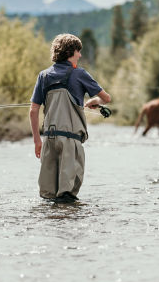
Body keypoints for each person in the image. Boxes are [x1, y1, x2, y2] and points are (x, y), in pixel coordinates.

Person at [29, 33, 111, 202]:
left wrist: (37, 141)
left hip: (49, 139)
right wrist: (94, 101)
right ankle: (67, 218)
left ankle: (51, 219)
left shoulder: (43, 76)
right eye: (78, 51)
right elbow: (106, 98)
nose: (80, 55)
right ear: (69, 52)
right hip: (70, 140)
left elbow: (33, 111)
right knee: (67, 195)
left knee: (49, 196)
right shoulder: (79, 74)